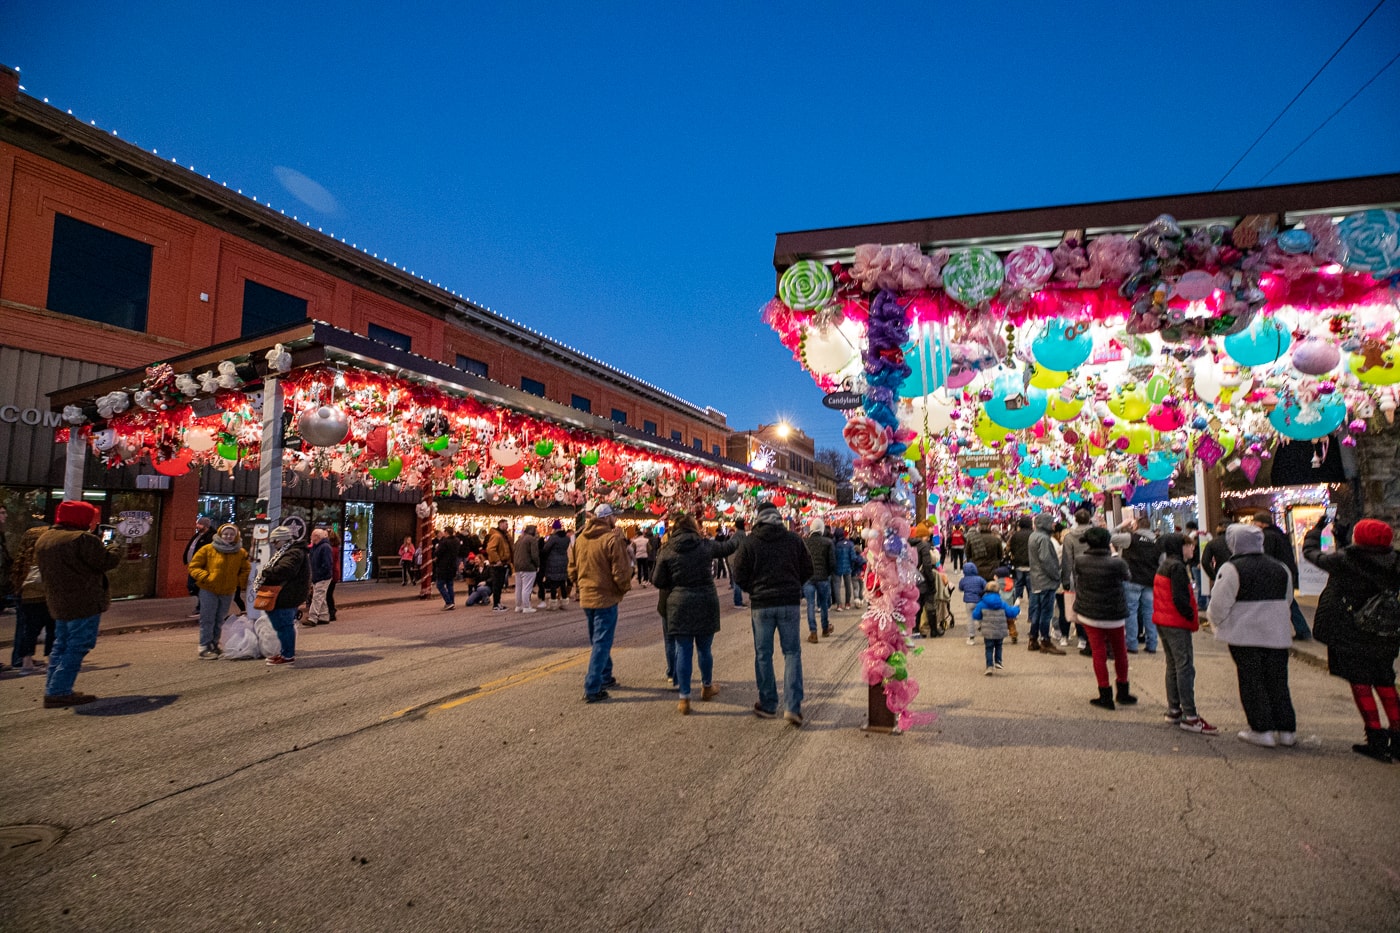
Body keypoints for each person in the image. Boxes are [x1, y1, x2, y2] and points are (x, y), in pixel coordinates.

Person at [1303, 516, 1400, 762]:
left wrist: (1315, 531)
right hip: (1386, 631)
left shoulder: (1346, 560)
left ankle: (1376, 738)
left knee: (1361, 683)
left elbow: (1312, 554)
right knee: (1385, 682)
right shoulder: (1395, 561)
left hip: (1352, 631)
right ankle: (1398, 739)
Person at [1209, 523, 1297, 748]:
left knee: (1252, 681)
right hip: (1277, 633)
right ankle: (1287, 729)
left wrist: (1218, 624)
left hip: (1245, 634)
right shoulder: (1280, 568)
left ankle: (1261, 728)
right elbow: (1287, 598)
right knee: (1278, 680)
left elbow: (1219, 604)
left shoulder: (1231, 568)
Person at [731, 501, 813, 726]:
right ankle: (792, 706)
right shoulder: (794, 540)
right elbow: (809, 569)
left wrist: (754, 589)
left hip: (761, 604)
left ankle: (768, 703)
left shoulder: (750, 542)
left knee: (763, 654)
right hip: (788, 602)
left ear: (758, 518)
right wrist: (794, 585)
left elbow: (738, 574)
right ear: (778, 517)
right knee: (792, 653)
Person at [35, 500, 122, 706]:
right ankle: (59, 690)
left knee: (61, 645)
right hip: (84, 601)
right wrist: (115, 546)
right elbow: (106, 561)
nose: (93, 523)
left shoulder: (45, 538)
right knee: (78, 645)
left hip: (59, 601)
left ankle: (53, 687)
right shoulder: (82, 539)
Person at [653, 512, 737, 714]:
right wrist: (740, 534)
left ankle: (684, 698)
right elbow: (727, 548)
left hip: (679, 602)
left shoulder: (667, 549)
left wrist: (674, 582)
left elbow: (657, 580)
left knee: (683, 649)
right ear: (693, 527)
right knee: (704, 649)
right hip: (705, 600)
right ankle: (707, 686)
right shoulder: (705, 546)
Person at [1153, 533, 1217, 735]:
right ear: (1180, 547)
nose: (1192, 550)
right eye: (1189, 546)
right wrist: (1191, 615)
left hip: (1163, 620)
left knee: (1173, 665)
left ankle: (1174, 709)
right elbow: (1180, 597)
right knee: (1184, 666)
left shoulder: (1166, 564)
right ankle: (1190, 715)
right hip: (1175, 622)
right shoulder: (1177, 568)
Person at [569, 503, 633, 702]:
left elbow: (572, 568)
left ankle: (605, 675)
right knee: (602, 642)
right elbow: (620, 571)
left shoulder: (580, 539)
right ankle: (592, 686)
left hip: (587, 596)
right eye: (614, 516)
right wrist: (623, 588)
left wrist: (580, 585)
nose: (616, 519)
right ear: (607, 518)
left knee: (597, 640)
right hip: (605, 597)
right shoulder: (611, 539)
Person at [1074, 526, 1137, 711]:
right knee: (1120, 651)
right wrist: (1114, 554)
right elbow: (1128, 577)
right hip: (1114, 613)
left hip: (1090, 613)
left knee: (1098, 653)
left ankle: (1105, 693)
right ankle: (1123, 691)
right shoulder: (1117, 563)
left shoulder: (1080, 561)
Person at [188, 522, 251, 658]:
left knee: (220, 618)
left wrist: (239, 582)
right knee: (207, 618)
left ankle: (215, 645)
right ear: (220, 534)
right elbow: (194, 567)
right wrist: (206, 577)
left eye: (231, 534)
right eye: (225, 534)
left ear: (236, 536)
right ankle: (204, 646)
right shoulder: (208, 549)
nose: (228, 536)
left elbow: (245, 569)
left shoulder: (240, 552)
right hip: (208, 589)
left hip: (228, 591)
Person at [256, 525, 310, 665]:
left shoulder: (293, 553)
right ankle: (286, 653)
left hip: (287, 594)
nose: (274, 545)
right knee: (282, 624)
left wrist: (266, 572)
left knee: (283, 625)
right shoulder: (291, 551)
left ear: (282, 540)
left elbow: (286, 569)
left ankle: (287, 655)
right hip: (288, 593)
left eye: (275, 541)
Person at [1253, 512, 1311, 641]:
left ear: (1262, 523)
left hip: (1278, 573)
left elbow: (1267, 556)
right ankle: (1302, 629)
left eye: (1255, 522)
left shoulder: (1267, 536)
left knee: (1282, 602)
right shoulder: (1279, 534)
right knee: (1289, 601)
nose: (1254, 525)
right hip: (1288, 570)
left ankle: (1298, 629)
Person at [10, 523, 54, 674]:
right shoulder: (43, 558)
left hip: (27, 600)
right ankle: (50, 661)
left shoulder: (23, 562)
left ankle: (26, 662)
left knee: (29, 631)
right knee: (52, 629)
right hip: (45, 598)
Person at [1112, 516, 1161, 654]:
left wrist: (1121, 525)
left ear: (1136, 526)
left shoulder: (1130, 538)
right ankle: (1152, 644)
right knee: (1150, 612)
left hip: (1132, 580)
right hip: (1150, 581)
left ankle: (1132, 644)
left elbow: (1108, 536)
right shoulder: (1157, 541)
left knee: (1131, 612)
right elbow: (1162, 562)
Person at [1026, 513, 1064, 654]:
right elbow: (1046, 560)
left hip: (1036, 579)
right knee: (1046, 613)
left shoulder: (1033, 536)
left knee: (1036, 611)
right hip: (1045, 581)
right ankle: (1045, 640)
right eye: (1051, 522)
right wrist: (1056, 576)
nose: (1054, 525)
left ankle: (1033, 638)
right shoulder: (1043, 539)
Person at [1060, 509, 1094, 653]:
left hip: (1078, 574)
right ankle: (1089, 636)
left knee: (1080, 605)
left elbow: (1067, 560)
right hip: (1095, 571)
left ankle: (1082, 637)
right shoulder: (1095, 533)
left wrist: (1066, 579)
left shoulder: (1069, 537)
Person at [972, 576, 1019, 674]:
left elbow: (976, 615)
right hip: (1000, 630)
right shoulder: (1002, 603)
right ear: (998, 591)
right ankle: (998, 661)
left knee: (989, 648)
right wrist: (1017, 608)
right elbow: (1011, 613)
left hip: (988, 631)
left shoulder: (982, 603)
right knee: (999, 645)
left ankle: (989, 666)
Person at [802, 518, 835, 643]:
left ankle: (813, 632)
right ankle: (825, 628)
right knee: (823, 604)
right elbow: (832, 562)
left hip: (808, 578)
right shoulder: (828, 542)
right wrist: (828, 574)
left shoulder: (805, 542)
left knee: (810, 604)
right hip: (823, 577)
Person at [908, 524, 938, 638]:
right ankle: (934, 630)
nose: (928, 537)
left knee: (916, 605)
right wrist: (931, 580)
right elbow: (927, 565)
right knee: (930, 604)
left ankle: (915, 631)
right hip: (924, 579)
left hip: (912, 579)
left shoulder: (909, 545)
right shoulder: (924, 545)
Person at [184, 515, 216, 616]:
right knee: (191, 586)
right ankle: (204, 605)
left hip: (202, 567)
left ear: (205, 525)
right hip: (193, 566)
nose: (197, 525)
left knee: (199, 587)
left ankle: (202, 607)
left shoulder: (211, 537)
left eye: (199, 524)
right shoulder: (197, 535)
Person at [305, 528, 334, 625]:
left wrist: (318, 573)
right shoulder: (317, 546)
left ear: (316, 537)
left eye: (312, 536)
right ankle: (324, 616)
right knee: (321, 596)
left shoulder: (324, 547)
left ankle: (312, 617)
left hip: (323, 576)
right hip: (319, 575)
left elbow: (327, 564)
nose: (310, 537)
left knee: (317, 596)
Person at [540, 519, 571, 610]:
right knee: (562, 582)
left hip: (553, 561)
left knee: (553, 582)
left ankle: (553, 603)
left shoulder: (553, 538)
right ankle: (564, 602)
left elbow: (546, 548)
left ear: (554, 528)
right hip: (563, 561)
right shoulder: (566, 538)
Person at [485, 519, 513, 612]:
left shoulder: (503, 536)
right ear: (500, 524)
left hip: (503, 564)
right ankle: (496, 605)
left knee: (500, 584)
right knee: (497, 585)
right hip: (498, 565)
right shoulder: (497, 536)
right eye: (506, 524)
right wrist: (497, 560)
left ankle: (498, 603)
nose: (507, 526)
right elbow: (490, 549)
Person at [958, 562, 988, 645]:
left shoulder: (964, 580)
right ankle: (986, 634)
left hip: (969, 602)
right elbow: (986, 587)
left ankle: (971, 637)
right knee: (981, 617)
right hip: (979, 601)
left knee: (970, 619)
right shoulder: (980, 579)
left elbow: (960, 588)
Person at [513, 524, 541, 613]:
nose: (537, 533)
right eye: (536, 531)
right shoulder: (532, 540)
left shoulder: (519, 539)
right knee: (527, 587)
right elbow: (534, 555)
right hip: (528, 566)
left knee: (519, 587)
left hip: (518, 566)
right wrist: (537, 565)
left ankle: (518, 606)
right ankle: (526, 606)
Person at [1007, 516, 1034, 605]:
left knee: (1018, 585)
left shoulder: (1015, 535)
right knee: (1031, 589)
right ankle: (1031, 615)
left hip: (1018, 564)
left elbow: (1011, 548)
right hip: (1031, 564)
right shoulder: (1034, 534)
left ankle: (1014, 609)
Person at [433, 531, 460, 611]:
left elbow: (438, 552)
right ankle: (452, 602)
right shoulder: (456, 541)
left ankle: (448, 602)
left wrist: (436, 555)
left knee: (440, 584)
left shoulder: (444, 541)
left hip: (443, 566)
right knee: (450, 585)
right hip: (452, 565)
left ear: (446, 533)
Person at [833, 527, 856, 612]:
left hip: (836, 568)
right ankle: (847, 603)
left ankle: (839, 604)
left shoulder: (835, 544)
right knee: (848, 586)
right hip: (848, 567)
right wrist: (852, 566)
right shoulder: (850, 544)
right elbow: (853, 557)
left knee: (837, 586)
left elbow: (832, 556)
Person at [728, 518, 748, 608]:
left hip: (733, 558)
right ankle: (738, 602)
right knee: (737, 581)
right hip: (737, 559)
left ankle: (738, 601)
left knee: (736, 580)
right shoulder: (741, 534)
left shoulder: (736, 534)